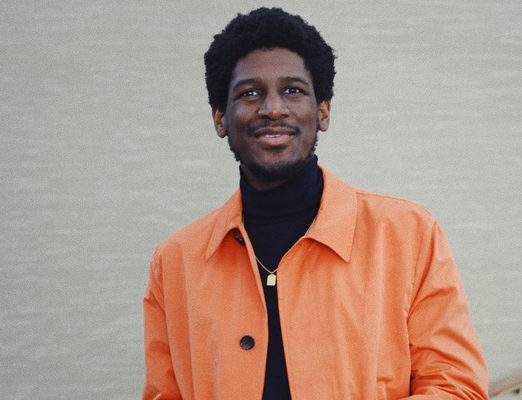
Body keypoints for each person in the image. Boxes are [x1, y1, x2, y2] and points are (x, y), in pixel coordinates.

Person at [142, 7, 489, 400]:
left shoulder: (407, 234)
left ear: (322, 111)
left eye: (293, 90)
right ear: (220, 118)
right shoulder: (175, 262)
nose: (273, 108)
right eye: (249, 93)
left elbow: (456, 387)